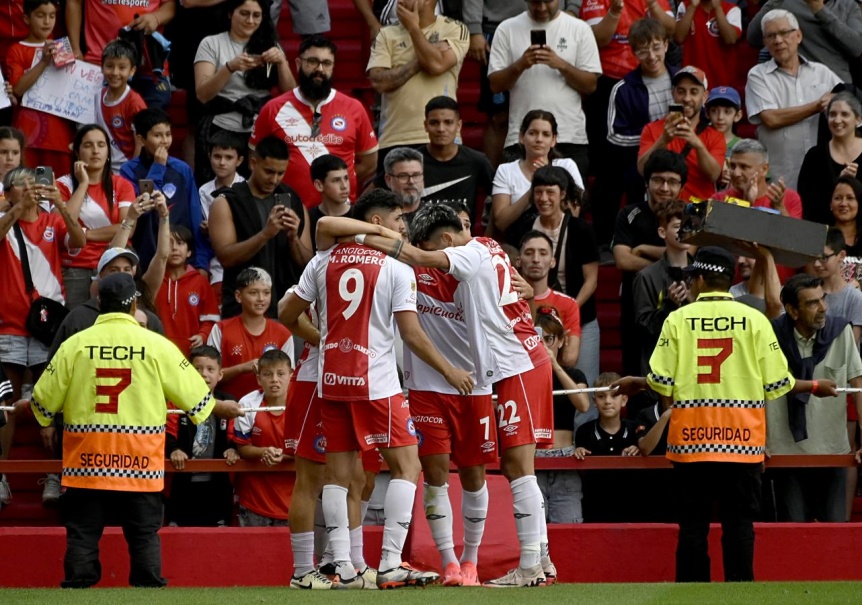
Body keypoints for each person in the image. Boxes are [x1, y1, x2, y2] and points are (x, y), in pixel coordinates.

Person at [349, 202, 555, 588]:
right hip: (453, 381)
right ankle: (524, 561)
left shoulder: (466, 257)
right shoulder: (487, 249)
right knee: (475, 471)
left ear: (446, 238)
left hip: (501, 371)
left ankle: (523, 563)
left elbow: (417, 253)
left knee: (513, 468)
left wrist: (353, 233)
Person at [618, 245, 836, 582]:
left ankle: (692, 597)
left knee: (692, 527)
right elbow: (779, 382)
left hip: (691, 444)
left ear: (701, 279)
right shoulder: (755, 321)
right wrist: (813, 386)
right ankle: (740, 593)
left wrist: (637, 381)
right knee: (739, 526)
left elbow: (661, 383)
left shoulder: (678, 319)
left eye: (692, 279)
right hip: (743, 445)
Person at [29, 272, 238, 588]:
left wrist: (46, 421)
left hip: (87, 457)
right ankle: (148, 585)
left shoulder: (75, 344)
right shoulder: (157, 345)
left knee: (83, 530)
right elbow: (199, 402)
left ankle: (78, 584)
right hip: (140, 459)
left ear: (99, 301)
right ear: (134, 303)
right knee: (143, 531)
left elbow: (42, 402)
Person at [393, 200, 498, 586]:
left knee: (473, 475)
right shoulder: (409, 272)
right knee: (435, 475)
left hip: (475, 386)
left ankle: (472, 561)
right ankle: (450, 563)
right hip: (427, 387)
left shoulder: (479, 262)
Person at [0, 167, 85, 506]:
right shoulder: (6, 220)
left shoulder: (53, 221)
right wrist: (17, 210)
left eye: (33, 184)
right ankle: (2, 475)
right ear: (8, 192)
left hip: (48, 325)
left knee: (57, 401)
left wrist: (61, 205)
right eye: (21, 185)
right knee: (4, 404)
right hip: (8, 324)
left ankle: (55, 474)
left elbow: (78, 243)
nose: (30, 190)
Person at [768, 274, 862, 523]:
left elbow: (858, 385)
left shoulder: (840, 332)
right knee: (792, 536)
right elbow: (759, 389)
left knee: (834, 536)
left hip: (832, 452)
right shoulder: (771, 335)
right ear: (792, 311)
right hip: (785, 454)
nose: (823, 308)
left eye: (823, 299)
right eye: (812, 303)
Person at [250, 35, 378, 207]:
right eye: (312, 61)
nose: (319, 69)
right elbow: (255, 159)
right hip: (287, 210)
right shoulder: (273, 108)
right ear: (298, 63)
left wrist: (336, 181)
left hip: (339, 211)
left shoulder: (354, 108)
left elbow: (370, 163)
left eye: (326, 63)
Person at [488, 0, 601, 176]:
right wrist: (521, 64)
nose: (541, 8)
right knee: (521, 200)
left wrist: (560, 64)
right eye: (535, 2)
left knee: (571, 201)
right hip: (522, 137)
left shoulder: (579, 29)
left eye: (547, 1)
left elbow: (590, 85)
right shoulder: (507, 29)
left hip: (568, 135)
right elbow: (495, 85)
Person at [208, 135, 313, 317]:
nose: (274, 179)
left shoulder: (294, 201)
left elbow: (307, 264)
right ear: (253, 163)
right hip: (241, 312)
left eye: (281, 173)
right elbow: (226, 258)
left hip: (286, 309)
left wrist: (293, 238)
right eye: (269, 171)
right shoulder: (226, 201)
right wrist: (265, 234)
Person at [193, 0, 294, 185]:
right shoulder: (211, 43)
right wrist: (229, 67)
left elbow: (292, 95)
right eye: (244, 14)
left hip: (260, 128)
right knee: (220, 187)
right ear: (231, 13)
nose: (250, 21)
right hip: (222, 127)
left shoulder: (271, 45)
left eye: (256, 15)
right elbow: (202, 94)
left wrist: (282, 63)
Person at [598, 18, 676, 245]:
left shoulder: (681, 80)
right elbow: (614, 135)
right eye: (643, 51)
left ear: (666, 45)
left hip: (682, 154)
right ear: (633, 52)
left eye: (656, 47)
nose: (651, 56)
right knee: (617, 176)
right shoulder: (623, 88)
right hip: (641, 161)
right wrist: (654, 139)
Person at [745, 9, 842, 191]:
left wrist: (837, 101)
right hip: (780, 177)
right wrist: (817, 105)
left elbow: (848, 104)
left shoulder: (822, 72)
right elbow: (771, 119)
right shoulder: (758, 75)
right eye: (771, 36)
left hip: (822, 175)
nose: (778, 40)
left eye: (784, 33)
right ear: (765, 42)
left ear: (798, 35)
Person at [367, 0, 469, 170]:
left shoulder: (455, 29)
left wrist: (414, 29)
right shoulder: (385, 34)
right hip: (395, 138)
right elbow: (379, 82)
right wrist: (421, 60)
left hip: (443, 136)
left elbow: (436, 66)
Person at [613, 149, 687, 376]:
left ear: (681, 187)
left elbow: (687, 250)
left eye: (672, 182)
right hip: (637, 302)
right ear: (646, 183)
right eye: (658, 180)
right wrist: (666, 258)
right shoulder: (629, 214)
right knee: (636, 368)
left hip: (682, 300)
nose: (665, 188)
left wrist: (644, 249)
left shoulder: (689, 214)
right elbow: (623, 259)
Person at [120, 109, 210, 273]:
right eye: (157, 135)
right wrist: (158, 167)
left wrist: (201, 263)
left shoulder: (182, 169)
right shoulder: (128, 170)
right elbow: (147, 204)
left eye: (168, 134)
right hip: (146, 257)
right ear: (141, 139)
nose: (164, 141)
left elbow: (195, 214)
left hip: (180, 257)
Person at [58, 125, 137, 309]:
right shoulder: (63, 185)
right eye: (88, 145)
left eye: (101, 145)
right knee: (77, 327)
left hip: (115, 266)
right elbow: (62, 226)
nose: (95, 151)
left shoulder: (122, 185)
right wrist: (83, 184)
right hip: (76, 268)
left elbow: (128, 228)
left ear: (108, 152)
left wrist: (84, 234)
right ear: (77, 152)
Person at [165, 345, 239, 527]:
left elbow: (235, 434)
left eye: (210, 369)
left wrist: (232, 448)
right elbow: (168, 432)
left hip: (217, 488)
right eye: (197, 369)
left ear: (220, 374)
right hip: (182, 485)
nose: (203, 374)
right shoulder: (176, 401)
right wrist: (174, 450)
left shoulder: (229, 402)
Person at [490, 110, 584, 245]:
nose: (539, 139)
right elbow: (501, 222)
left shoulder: (566, 166)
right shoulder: (506, 170)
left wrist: (550, 177)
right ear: (522, 137)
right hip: (520, 242)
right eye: (533, 133)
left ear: (553, 140)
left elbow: (574, 213)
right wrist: (534, 189)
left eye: (545, 134)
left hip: (561, 240)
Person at [533, 306, 590, 525]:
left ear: (560, 341)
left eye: (549, 339)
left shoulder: (574, 374)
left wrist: (555, 366)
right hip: (534, 459)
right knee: (533, 535)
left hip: (565, 458)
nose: (545, 345)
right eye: (539, 338)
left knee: (569, 528)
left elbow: (584, 404)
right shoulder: (523, 375)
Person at [7, 0, 75, 177]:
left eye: (52, 16)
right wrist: (44, 62)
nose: (47, 21)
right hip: (28, 135)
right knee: (28, 188)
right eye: (40, 15)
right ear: (26, 18)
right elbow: (18, 89)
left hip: (60, 137)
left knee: (56, 189)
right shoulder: (16, 50)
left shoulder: (61, 47)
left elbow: (72, 90)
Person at [637, 66, 725, 202]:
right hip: (662, 209)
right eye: (681, 91)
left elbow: (713, 175)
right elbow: (643, 170)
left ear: (704, 97)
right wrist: (663, 140)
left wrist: (697, 144)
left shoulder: (715, 136)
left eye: (694, 92)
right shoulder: (652, 129)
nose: (687, 98)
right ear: (673, 93)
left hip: (698, 213)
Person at [65, 0, 174, 108]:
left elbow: (170, 4)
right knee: (95, 123)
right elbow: (74, 3)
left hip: (149, 67)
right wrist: (75, 48)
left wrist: (156, 18)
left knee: (152, 122)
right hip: (100, 64)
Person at [207, 266, 293, 400]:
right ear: (238, 296)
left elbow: (289, 378)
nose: (261, 299)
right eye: (253, 293)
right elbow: (208, 375)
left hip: (267, 410)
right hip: (228, 405)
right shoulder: (220, 329)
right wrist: (242, 368)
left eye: (266, 293)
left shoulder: (283, 334)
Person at [233, 349, 294, 526]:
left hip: (295, 502)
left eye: (281, 373)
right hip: (254, 501)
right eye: (268, 374)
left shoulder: (302, 405)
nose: (275, 379)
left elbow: (313, 450)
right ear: (259, 378)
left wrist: (284, 456)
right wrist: (264, 452)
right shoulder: (247, 404)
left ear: (291, 375)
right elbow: (242, 448)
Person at [632, 198, 693, 374]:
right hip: (661, 370)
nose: (684, 231)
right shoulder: (646, 277)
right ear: (662, 232)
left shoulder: (702, 274)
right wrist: (669, 306)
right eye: (677, 227)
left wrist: (694, 300)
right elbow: (643, 329)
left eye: (688, 225)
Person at [575, 372, 640, 522]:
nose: (608, 401)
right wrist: (578, 453)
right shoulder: (585, 432)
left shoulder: (635, 430)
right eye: (601, 396)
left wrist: (639, 448)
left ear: (624, 400)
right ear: (594, 401)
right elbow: (581, 471)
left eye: (614, 395)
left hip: (632, 507)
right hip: (595, 507)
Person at [748, 0, 862, 86]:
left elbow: (857, 48)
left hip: (837, 88)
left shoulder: (848, 5)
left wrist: (820, 10)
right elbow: (753, 38)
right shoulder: (785, 4)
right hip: (792, 84)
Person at [420, 96, 494, 225]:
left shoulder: (476, 161)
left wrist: (489, 233)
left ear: (459, 125)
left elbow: (500, 198)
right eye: (434, 123)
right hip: (419, 241)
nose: (441, 129)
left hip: (462, 241)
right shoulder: (411, 160)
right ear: (425, 126)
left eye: (448, 122)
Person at [518, 229, 582, 369]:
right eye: (529, 253)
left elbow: (569, 359)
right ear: (518, 260)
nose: (535, 259)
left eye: (543, 253)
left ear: (553, 261)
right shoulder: (506, 301)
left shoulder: (569, 304)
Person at [154, 225, 220, 357]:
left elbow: (211, 318)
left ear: (189, 251)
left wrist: (202, 335)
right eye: (169, 243)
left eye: (180, 243)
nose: (174, 248)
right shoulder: (153, 280)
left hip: (190, 352)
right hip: (157, 350)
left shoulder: (200, 282)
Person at [798, 92, 862, 226]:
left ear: (858, 120)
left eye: (845, 114)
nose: (837, 120)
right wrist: (838, 183)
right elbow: (808, 205)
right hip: (825, 234)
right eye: (832, 114)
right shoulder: (815, 156)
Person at [199, 130, 246, 305]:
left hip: (240, 260)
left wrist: (216, 228)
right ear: (209, 156)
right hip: (214, 263)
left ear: (239, 161)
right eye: (217, 156)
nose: (222, 162)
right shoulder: (203, 190)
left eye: (228, 157)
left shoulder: (246, 189)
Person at [714, 139, 803, 219]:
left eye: (744, 167)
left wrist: (779, 207)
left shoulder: (790, 198)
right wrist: (746, 204)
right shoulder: (719, 199)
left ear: (764, 169)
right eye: (733, 166)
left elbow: (793, 235)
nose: (736, 173)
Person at [96, 39, 147, 175]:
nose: (115, 72)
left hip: (125, 171)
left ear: (132, 70)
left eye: (122, 67)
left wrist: (132, 173)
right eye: (110, 66)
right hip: (100, 169)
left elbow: (140, 143)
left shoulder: (135, 103)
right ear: (102, 67)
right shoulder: (96, 96)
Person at [804, 228, 862, 344]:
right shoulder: (807, 293)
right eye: (814, 257)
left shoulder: (856, 298)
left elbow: (851, 347)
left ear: (841, 256)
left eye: (824, 258)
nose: (816, 264)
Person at [673, 0, 742, 94]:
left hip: (722, 79)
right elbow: (678, 38)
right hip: (693, 79)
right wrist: (692, 7)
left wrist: (718, 8)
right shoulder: (685, 6)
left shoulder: (732, 9)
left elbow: (730, 39)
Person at [308, 155, 352, 250]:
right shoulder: (308, 219)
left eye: (346, 178)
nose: (344, 186)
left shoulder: (361, 215)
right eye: (336, 180)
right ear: (319, 185)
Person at [705, 87, 743, 190]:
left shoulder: (745, 146)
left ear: (738, 115)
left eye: (727, 111)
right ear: (707, 114)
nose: (720, 117)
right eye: (714, 111)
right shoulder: (699, 142)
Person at [830, 177, 862, 283]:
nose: (843, 203)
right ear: (830, 204)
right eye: (838, 198)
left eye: (850, 198)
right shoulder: (821, 237)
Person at [382, 147, 426, 218]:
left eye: (416, 175)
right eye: (403, 176)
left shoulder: (438, 217)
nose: (411, 181)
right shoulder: (379, 219)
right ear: (388, 180)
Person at [0, 127, 25, 205]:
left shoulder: (32, 183)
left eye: (15, 153)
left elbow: (41, 213)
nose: (10, 158)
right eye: (4, 152)